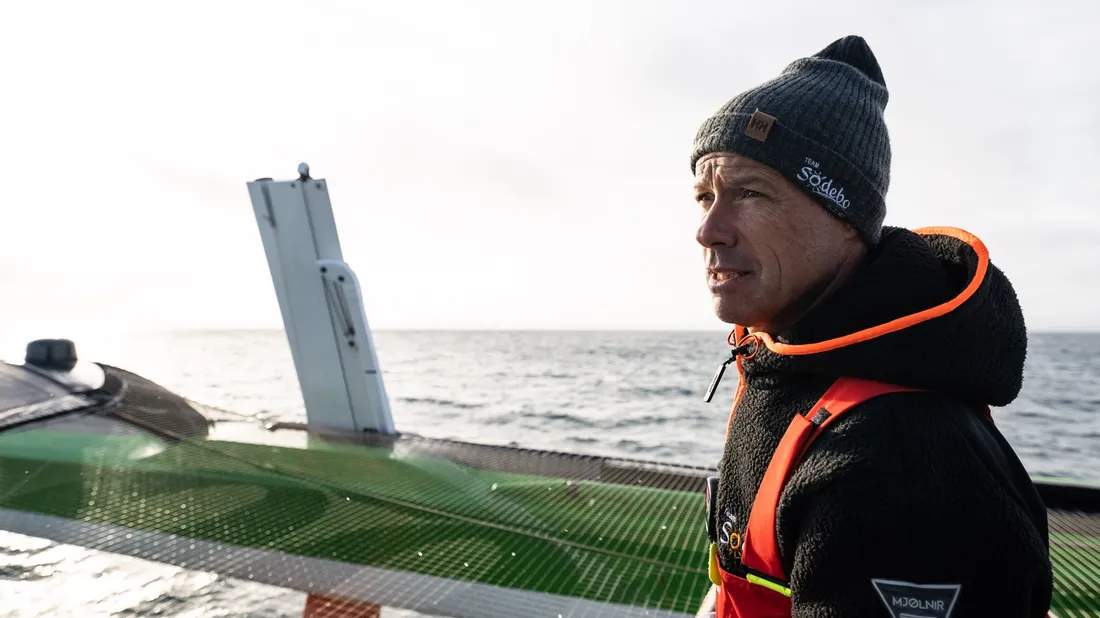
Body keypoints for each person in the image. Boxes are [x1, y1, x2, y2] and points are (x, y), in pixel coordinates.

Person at [692, 35, 1053, 617]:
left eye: (750, 193)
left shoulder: (896, 470)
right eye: (705, 196)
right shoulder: (786, 362)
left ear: (846, 218)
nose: (708, 230)